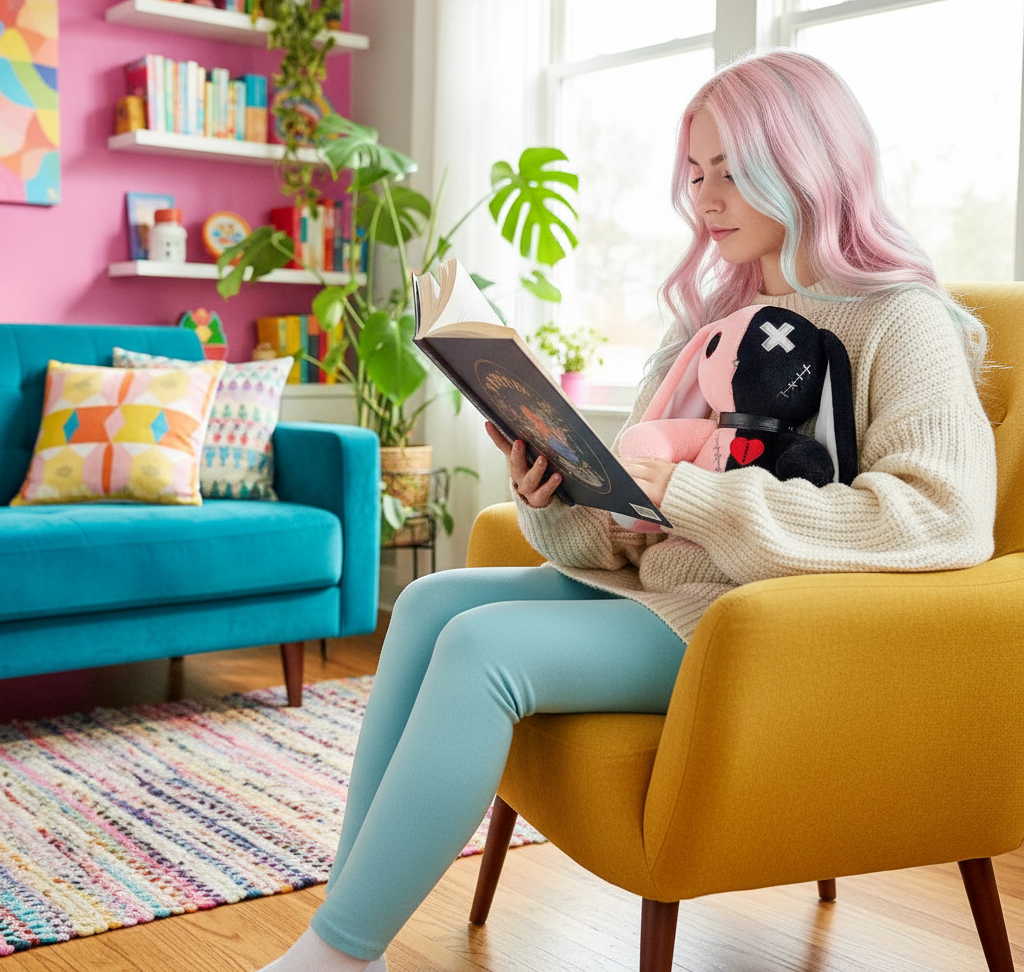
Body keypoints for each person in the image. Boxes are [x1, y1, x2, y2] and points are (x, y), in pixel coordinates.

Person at [257, 48, 996, 972]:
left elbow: (942, 516)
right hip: (661, 591)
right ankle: (344, 919)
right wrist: (556, 491)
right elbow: (619, 538)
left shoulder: (899, 319)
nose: (705, 197)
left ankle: (335, 956)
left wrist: (684, 491)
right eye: (695, 172)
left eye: (731, 170)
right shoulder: (704, 322)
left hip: (757, 626)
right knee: (428, 604)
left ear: (808, 162)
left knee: (485, 650)